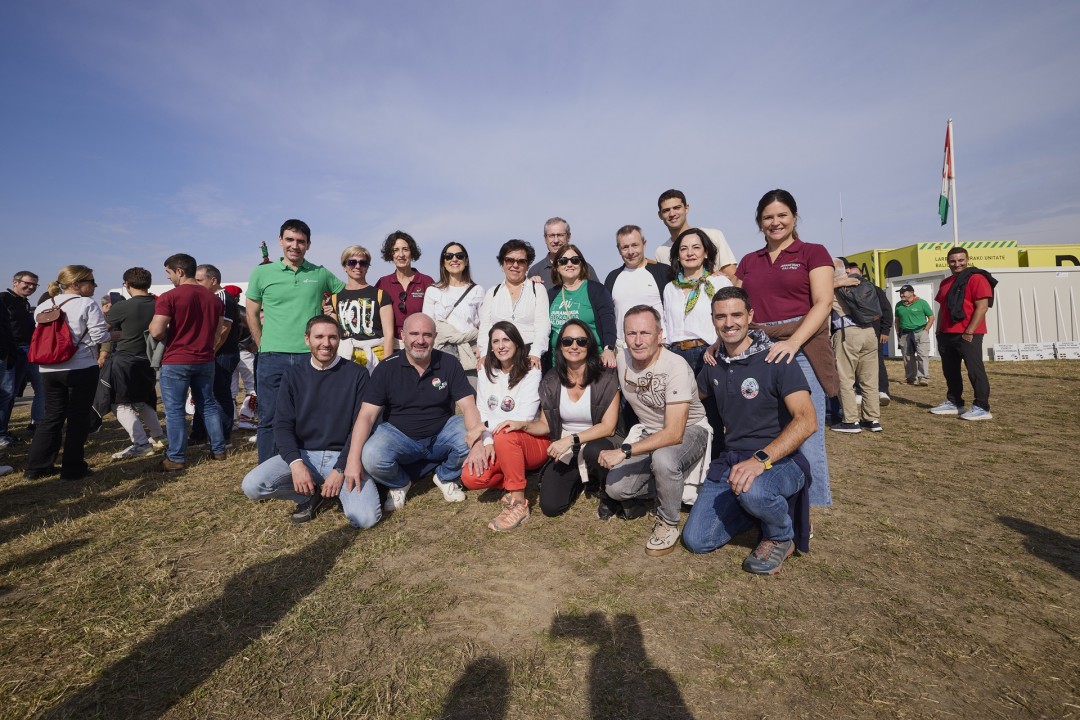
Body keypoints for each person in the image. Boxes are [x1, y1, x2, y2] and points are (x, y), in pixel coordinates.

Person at [683, 287, 816, 575]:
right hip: (732, 460)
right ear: (712, 320)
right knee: (696, 541)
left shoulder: (777, 358)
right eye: (721, 316)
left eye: (736, 315)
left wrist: (760, 460)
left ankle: (781, 535)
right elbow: (688, 398)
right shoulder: (714, 363)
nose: (729, 323)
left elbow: (807, 421)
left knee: (754, 491)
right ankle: (754, 512)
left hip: (780, 460)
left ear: (750, 316)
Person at [732, 189, 837, 507]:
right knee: (767, 428)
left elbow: (823, 303)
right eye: (768, 217)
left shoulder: (813, 252)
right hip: (759, 347)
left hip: (802, 348)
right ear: (759, 222)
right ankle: (772, 496)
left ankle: (810, 509)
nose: (775, 222)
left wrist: (793, 342)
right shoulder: (749, 261)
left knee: (805, 430)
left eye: (782, 215)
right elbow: (735, 306)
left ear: (794, 217)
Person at [241, 315, 381, 527]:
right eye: (319, 337)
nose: (326, 343)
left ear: (339, 339)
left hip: (343, 457)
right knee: (252, 486)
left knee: (365, 519)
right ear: (307, 339)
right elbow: (282, 425)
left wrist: (341, 468)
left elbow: (360, 427)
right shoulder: (293, 375)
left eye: (332, 337)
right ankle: (309, 493)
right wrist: (296, 464)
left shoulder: (358, 374)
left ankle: (338, 491)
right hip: (304, 454)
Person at [343, 313, 488, 512]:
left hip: (440, 433)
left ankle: (445, 476)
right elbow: (366, 416)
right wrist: (352, 460)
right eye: (414, 334)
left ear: (435, 337)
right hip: (399, 436)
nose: (420, 340)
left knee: (473, 437)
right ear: (403, 336)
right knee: (370, 456)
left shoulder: (449, 363)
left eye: (427, 335)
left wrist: (477, 443)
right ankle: (400, 483)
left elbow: (468, 406)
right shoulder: (386, 368)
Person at [598, 305, 710, 557]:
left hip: (690, 430)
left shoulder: (675, 366)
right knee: (616, 489)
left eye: (645, 333)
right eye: (631, 333)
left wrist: (624, 451)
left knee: (664, 458)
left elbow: (674, 433)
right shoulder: (622, 359)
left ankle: (668, 523)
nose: (638, 341)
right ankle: (669, 484)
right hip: (649, 432)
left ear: (660, 335)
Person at [246, 219, 345, 463]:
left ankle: (306, 466)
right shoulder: (262, 272)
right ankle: (269, 471)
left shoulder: (319, 273)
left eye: (301, 241)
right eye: (289, 239)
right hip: (272, 356)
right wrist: (262, 345)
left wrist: (334, 313)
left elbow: (348, 294)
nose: (295, 245)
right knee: (269, 418)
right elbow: (251, 313)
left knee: (309, 416)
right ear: (280, 241)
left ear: (308, 244)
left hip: (309, 356)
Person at [24, 265, 111, 480]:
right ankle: (73, 468)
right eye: (91, 281)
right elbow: (100, 336)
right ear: (76, 284)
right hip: (81, 366)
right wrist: (113, 335)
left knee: (51, 416)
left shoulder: (44, 305)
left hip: (48, 368)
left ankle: (37, 467)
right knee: (78, 417)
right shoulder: (86, 303)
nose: (95, 285)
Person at [531, 319, 620, 518]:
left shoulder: (606, 378)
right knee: (551, 507)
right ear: (560, 346)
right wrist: (522, 425)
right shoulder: (551, 380)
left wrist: (571, 440)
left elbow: (609, 427)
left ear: (590, 345)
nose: (574, 346)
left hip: (597, 442)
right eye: (567, 341)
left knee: (595, 450)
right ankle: (581, 478)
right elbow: (545, 424)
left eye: (581, 341)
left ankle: (606, 489)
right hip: (567, 448)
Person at [461, 322, 546, 530]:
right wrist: (487, 442)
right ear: (490, 346)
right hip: (499, 440)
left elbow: (523, 417)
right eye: (495, 341)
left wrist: (483, 428)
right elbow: (482, 409)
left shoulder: (531, 370)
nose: (501, 346)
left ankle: (518, 503)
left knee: (506, 433)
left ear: (517, 343)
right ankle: (514, 477)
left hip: (532, 440)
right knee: (471, 478)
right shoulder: (485, 371)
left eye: (506, 340)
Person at [149, 254, 229, 471]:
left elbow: (156, 331)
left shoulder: (169, 297)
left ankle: (176, 457)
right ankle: (219, 449)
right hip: (205, 358)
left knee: (175, 410)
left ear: (180, 271)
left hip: (177, 359)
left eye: (169, 272)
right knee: (208, 405)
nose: (168, 277)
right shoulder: (214, 299)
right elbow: (217, 332)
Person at [101, 267, 165, 459]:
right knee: (141, 400)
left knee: (119, 403)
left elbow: (102, 330)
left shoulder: (122, 306)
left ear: (127, 284)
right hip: (150, 359)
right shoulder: (159, 304)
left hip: (126, 359)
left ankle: (140, 443)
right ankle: (159, 435)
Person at [930, 246, 997, 420]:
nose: (957, 264)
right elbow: (942, 308)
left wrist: (970, 330)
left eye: (961, 260)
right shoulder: (946, 282)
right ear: (948, 262)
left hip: (968, 333)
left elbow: (982, 307)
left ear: (967, 260)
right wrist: (939, 330)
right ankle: (955, 403)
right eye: (953, 261)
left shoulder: (977, 278)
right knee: (950, 370)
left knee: (975, 370)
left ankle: (982, 407)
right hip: (946, 333)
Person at [663, 228, 733, 372]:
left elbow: (730, 319)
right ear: (678, 255)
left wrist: (719, 343)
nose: (690, 253)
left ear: (706, 253)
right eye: (684, 249)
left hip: (710, 353)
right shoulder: (670, 288)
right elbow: (666, 322)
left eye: (696, 247)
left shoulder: (718, 283)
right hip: (675, 356)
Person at [477, 240, 551, 370]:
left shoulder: (537, 290)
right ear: (502, 263)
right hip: (498, 359)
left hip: (529, 358)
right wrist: (484, 354)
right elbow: (485, 327)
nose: (515, 265)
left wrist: (536, 352)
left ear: (527, 265)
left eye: (521, 261)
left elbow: (543, 325)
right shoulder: (492, 292)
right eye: (509, 260)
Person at [191, 263, 241, 445]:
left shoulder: (223, 299)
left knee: (220, 395)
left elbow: (224, 330)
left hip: (222, 354)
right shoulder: (213, 298)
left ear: (213, 280)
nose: (196, 284)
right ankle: (199, 434)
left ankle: (223, 436)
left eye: (199, 280)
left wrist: (210, 352)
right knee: (204, 394)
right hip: (216, 353)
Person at [829, 259, 882, 433]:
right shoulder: (858, 281)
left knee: (845, 378)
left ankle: (850, 421)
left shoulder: (833, 286)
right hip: (869, 332)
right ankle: (872, 419)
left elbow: (814, 294)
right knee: (869, 379)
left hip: (848, 333)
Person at [325, 245, 395, 368]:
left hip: (376, 357)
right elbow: (333, 335)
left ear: (367, 267)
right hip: (346, 357)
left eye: (363, 263)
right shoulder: (334, 300)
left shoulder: (380, 295)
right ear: (344, 266)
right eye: (352, 262)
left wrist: (387, 366)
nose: (357, 266)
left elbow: (389, 334)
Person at [548, 244, 617, 369]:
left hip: (592, 362)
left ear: (582, 264)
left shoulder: (597, 290)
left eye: (575, 260)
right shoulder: (551, 294)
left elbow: (608, 322)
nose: (569, 264)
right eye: (563, 261)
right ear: (557, 267)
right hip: (558, 365)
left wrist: (609, 349)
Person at [603, 225, 670, 347]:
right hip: (623, 349)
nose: (630, 252)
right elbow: (607, 316)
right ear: (618, 249)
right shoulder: (612, 278)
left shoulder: (663, 272)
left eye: (635, 245)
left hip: (658, 347)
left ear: (644, 244)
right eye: (625, 247)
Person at [422, 242, 484, 373]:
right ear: (443, 262)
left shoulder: (477, 290)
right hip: (440, 352)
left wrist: (482, 348)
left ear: (466, 261)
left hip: (470, 352)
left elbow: (485, 325)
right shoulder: (432, 291)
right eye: (449, 256)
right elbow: (427, 326)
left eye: (459, 256)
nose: (454, 259)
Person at [0, 270, 43, 445]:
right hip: (10, 351)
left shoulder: (25, 303)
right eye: (28, 283)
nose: (31, 287)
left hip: (26, 351)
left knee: (12, 394)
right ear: (15, 282)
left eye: (34, 284)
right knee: (6, 393)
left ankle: (4, 431)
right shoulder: (4, 298)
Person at [655, 189, 737, 279]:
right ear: (660, 215)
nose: (672, 213)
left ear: (686, 208)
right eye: (666, 210)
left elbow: (732, 276)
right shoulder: (661, 251)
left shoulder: (713, 236)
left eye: (677, 208)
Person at [375, 230, 434, 343]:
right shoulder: (383, 283)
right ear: (391, 254)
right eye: (396, 250)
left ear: (412, 252)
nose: (401, 255)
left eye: (405, 249)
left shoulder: (426, 281)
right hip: (391, 344)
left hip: (420, 343)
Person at [528, 217, 598, 291]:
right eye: (551, 236)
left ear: (568, 237)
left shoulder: (585, 268)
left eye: (560, 235)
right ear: (545, 239)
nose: (556, 240)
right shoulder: (535, 271)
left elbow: (598, 294)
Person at [894, 284, 934, 386]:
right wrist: (898, 332)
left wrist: (926, 330)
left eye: (903, 293)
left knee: (922, 355)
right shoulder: (898, 305)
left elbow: (931, 317)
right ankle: (911, 378)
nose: (901, 295)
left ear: (911, 293)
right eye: (900, 293)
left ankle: (924, 378)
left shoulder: (922, 303)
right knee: (907, 356)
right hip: (905, 334)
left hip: (920, 332)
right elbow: (897, 320)